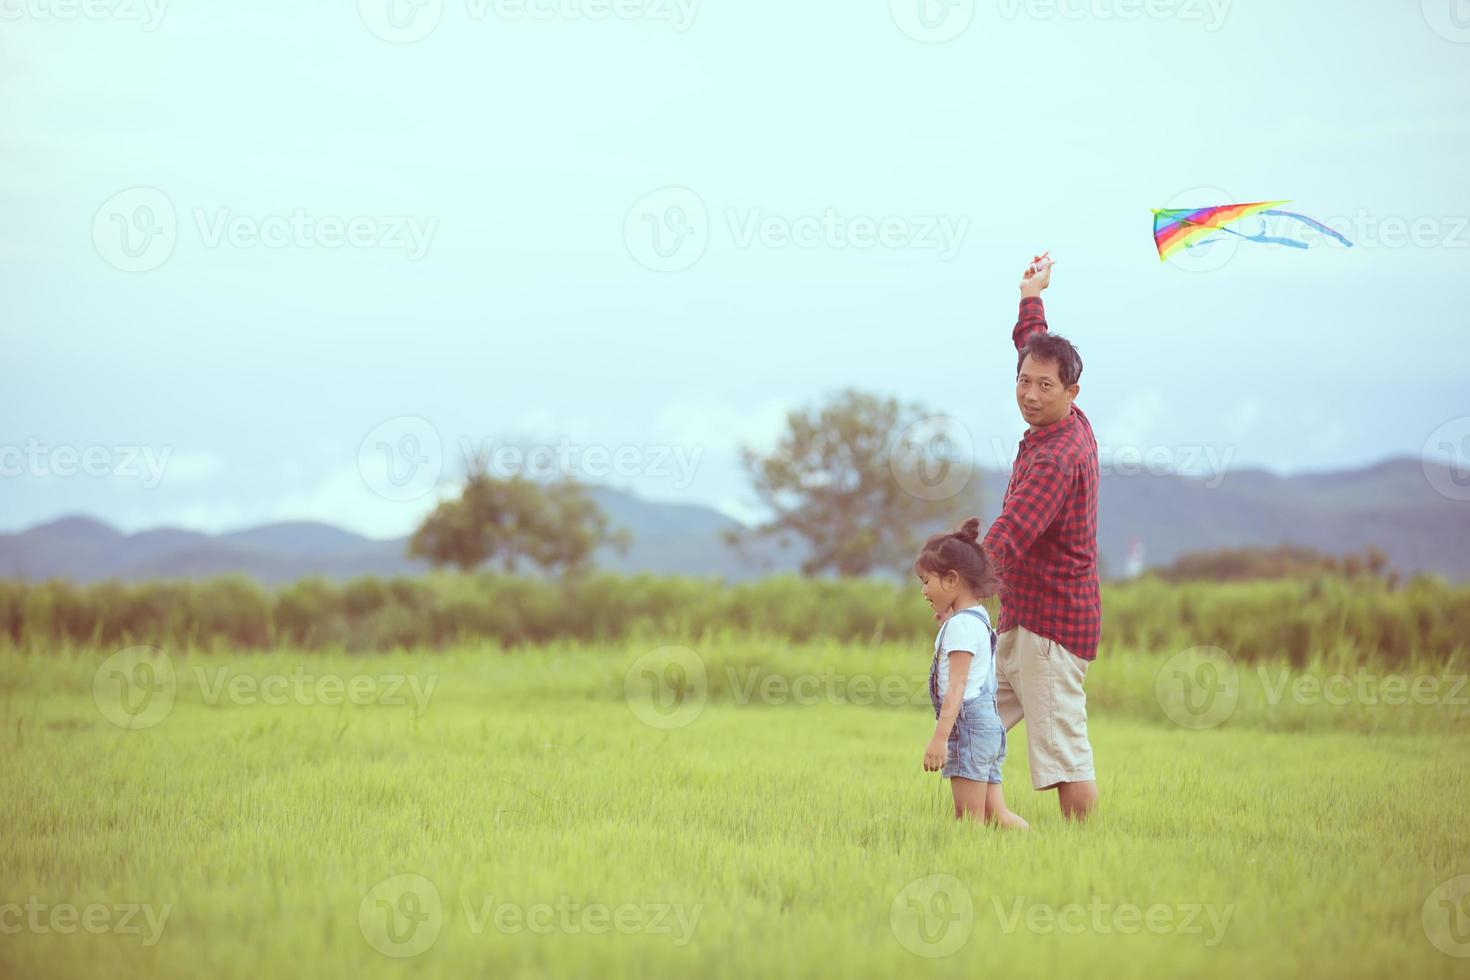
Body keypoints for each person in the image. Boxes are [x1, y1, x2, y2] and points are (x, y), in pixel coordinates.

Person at [968, 258, 1101, 821]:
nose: (1030, 394)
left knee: (1063, 756)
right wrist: (1030, 296)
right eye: (1023, 381)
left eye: (1045, 386)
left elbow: (1011, 533)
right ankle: (982, 821)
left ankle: (1087, 855)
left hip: (1052, 630)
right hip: (1022, 619)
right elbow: (1033, 343)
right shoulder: (1063, 417)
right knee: (975, 721)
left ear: (1071, 390)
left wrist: (958, 583)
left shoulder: (1056, 457)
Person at [917, 518, 1029, 830]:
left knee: (968, 821)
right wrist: (949, 614)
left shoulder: (961, 626)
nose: (923, 591)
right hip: (987, 728)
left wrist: (939, 740)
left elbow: (957, 686)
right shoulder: (975, 617)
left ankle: (969, 864)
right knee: (997, 816)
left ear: (952, 579)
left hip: (969, 728)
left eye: (926, 581)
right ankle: (1044, 846)